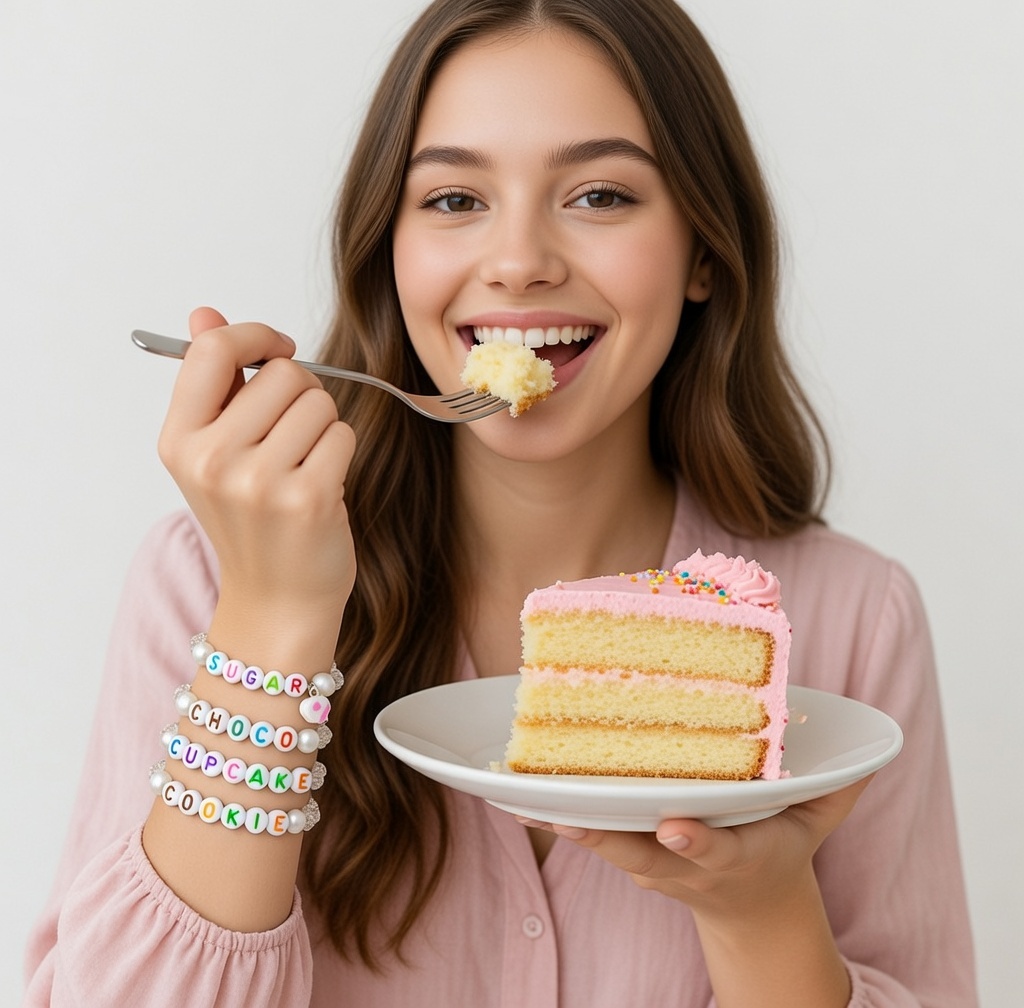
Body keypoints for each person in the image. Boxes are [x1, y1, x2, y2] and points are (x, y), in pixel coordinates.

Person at [24, 1, 977, 1005]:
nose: (518, 260)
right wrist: (275, 621)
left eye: (601, 194)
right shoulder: (209, 576)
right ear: (387, 252)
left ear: (703, 249)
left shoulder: (856, 618)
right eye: (452, 200)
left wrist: (758, 908)